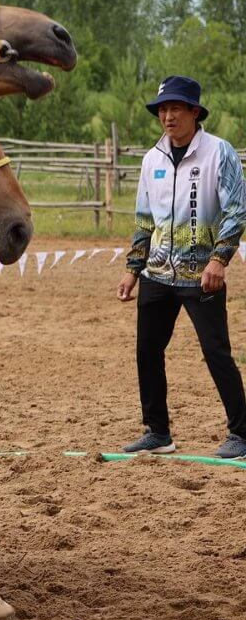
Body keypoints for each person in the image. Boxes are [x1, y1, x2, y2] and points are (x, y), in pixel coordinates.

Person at [117, 75, 246, 460]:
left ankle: (241, 433)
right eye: (162, 110)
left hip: (202, 274)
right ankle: (158, 432)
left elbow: (237, 210)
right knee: (147, 352)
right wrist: (132, 268)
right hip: (156, 273)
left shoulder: (219, 152)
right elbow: (144, 219)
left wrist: (219, 260)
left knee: (216, 352)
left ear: (194, 111)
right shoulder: (151, 159)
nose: (167, 116)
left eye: (175, 109)